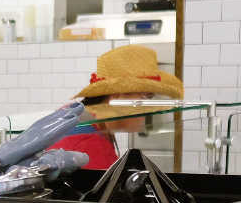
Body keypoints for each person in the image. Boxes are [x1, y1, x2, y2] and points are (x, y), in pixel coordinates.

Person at [48, 45, 185, 171]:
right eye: (144, 99)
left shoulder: (80, 114)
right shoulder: (89, 144)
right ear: (116, 98)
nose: (147, 110)